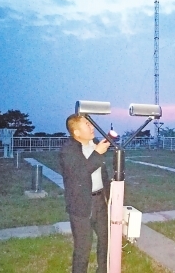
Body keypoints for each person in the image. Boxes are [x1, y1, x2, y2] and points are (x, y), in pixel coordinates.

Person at [60, 114, 111, 273]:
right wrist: (98, 154)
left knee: (106, 241)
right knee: (83, 248)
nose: (92, 127)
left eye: (91, 124)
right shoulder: (67, 151)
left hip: (100, 201)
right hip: (81, 205)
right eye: (87, 124)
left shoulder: (93, 144)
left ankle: (103, 270)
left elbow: (102, 175)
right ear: (76, 132)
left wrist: (110, 196)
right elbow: (80, 172)